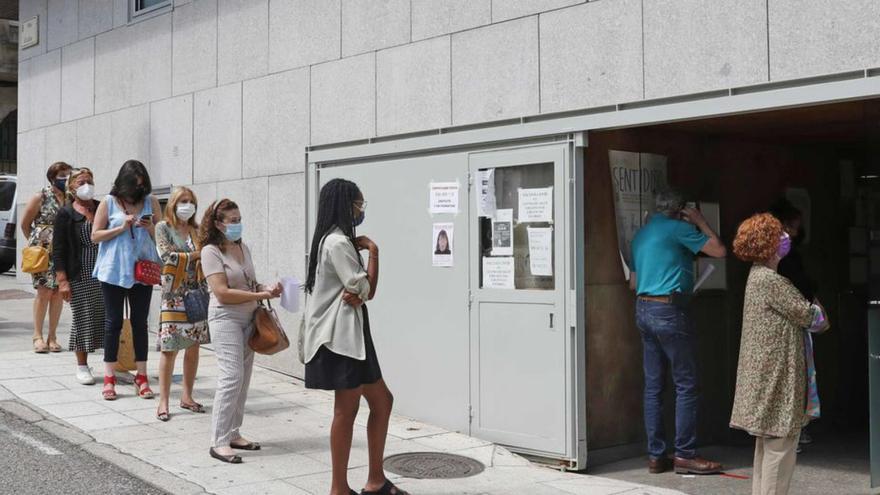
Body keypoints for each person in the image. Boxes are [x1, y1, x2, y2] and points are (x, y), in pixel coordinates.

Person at [303, 178, 406, 495]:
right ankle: (339, 489)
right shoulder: (337, 243)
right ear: (347, 206)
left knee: (382, 402)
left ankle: (375, 481)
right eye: (359, 204)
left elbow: (360, 291)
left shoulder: (331, 241)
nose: (361, 210)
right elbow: (367, 289)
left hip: (353, 338)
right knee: (345, 411)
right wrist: (374, 252)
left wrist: (358, 290)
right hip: (340, 340)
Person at [629, 189, 726, 475]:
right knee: (686, 384)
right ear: (680, 209)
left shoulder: (641, 234)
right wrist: (701, 220)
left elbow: (633, 282)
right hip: (669, 310)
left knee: (654, 387)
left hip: (643, 309)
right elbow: (719, 250)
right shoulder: (680, 229)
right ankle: (684, 454)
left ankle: (656, 456)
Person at [730, 213, 828, 495]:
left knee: (768, 447)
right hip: (778, 380)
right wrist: (811, 293)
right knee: (779, 449)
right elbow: (813, 318)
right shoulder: (772, 282)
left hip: (766, 377)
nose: (786, 238)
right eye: (779, 234)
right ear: (769, 244)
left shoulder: (758, 277)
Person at [200, 198, 281, 464]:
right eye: (232, 221)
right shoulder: (211, 251)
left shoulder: (242, 247)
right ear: (217, 223)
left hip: (250, 317)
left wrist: (268, 288)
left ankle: (234, 432)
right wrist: (259, 293)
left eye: (239, 219)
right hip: (226, 318)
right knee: (231, 376)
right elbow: (221, 293)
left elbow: (248, 282)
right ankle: (218, 441)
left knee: (244, 377)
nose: (238, 224)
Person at [91, 160, 161, 401]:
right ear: (124, 183)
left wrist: (151, 226)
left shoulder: (150, 201)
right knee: (113, 323)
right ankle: (109, 375)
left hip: (143, 270)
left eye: (143, 185)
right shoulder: (108, 202)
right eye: (135, 184)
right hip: (114, 269)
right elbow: (95, 236)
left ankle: (141, 376)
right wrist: (120, 227)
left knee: (140, 323)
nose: (139, 189)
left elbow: (161, 237)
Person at [154, 187, 210, 422]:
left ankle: (187, 396)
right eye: (183, 201)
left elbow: (208, 254)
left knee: (194, 346)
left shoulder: (198, 230)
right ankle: (163, 400)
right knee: (170, 348)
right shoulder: (163, 228)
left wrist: (195, 255)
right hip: (173, 294)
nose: (188, 205)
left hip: (197, 291)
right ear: (173, 204)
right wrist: (195, 255)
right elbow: (167, 256)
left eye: (191, 201)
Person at [769, 198, 818, 449]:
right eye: (793, 227)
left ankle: (793, 428)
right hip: (791, 324)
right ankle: (793, 429)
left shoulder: (765, 270)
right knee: (795, 377)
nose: (797, 233)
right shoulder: (776, 269)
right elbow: (799, 294)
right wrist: (815, 310)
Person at [52, 168, 104, 385]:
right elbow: (59, 249)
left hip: (105, 272)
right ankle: (82, 365)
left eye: (90, 181)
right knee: (83, 317)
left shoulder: (102, 207)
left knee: (107, 317)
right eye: (82, 182)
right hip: (80, 272)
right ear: (72, 187)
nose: (87, 185)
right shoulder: (66, 213)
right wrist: (62, 280)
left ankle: (114, 363)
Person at [21, 161, 73, 353]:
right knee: (43, 292)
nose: (66, 179)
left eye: (69, 175)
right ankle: (37, 336)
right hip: (43, 253)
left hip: (64, 251)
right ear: (52, 178)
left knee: (59, 293)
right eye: (62, 176)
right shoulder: (40, 196)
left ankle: (52, 336)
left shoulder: (71, 198)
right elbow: (25, 224)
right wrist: (37, 244)